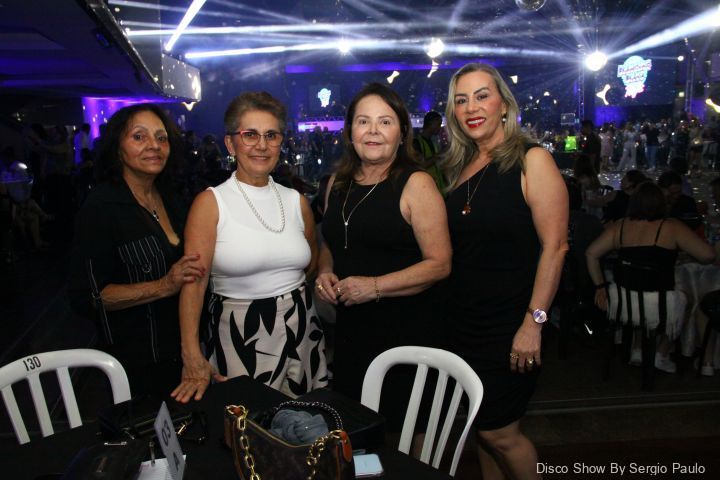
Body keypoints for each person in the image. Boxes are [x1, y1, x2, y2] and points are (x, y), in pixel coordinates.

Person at [441, 63, 568, 480]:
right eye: (462, 100)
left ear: (503, 105)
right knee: (482, 429)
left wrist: (534, 323)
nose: (472, 107)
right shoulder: (460, 166)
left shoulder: (533, 160)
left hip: (511, 323)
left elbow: (556, 247)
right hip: (464, 322)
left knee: (500, 433)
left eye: (482, 96)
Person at [172, 92, 327, 403]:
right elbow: (194, 283)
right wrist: (191, 354)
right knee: (248, 423)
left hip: (302, 325)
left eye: (271, 135)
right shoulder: (210, 203)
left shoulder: (296, 201)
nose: (262, 145)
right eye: (250, 135)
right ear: (231, 144)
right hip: (241, 331)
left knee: (305, 421)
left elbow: (310, 262)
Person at [315, 83, 451, 427]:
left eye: (385, 122)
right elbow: (330, 241)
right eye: (363, 121)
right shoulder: (336, 183)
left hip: (406, 331)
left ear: (402, 133)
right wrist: (325, 270)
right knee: (354, 429)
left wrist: (373, 286)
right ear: (350, 132)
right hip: (352, 331)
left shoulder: (416, 184)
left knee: (408, 434)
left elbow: (440, 264)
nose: (373, 131)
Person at [69, 104, 204, 396]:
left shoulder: (170, 196)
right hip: (135, 364)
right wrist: (163, 285)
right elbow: (89, 297)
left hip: (183, 351)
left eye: (161, 138)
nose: (154, 145)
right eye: (139, 137)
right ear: (117, 148)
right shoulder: (101, 208)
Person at [586, 182, 715, 372]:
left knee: (639, 288)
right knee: (688, 301)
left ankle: (638, 349)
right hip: (660, 305)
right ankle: (662, 352)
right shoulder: (672, 227)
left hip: (623, 305)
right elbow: (708, 255)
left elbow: (591, 254)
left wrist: (600, 286)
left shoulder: (620, 226)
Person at [412, 110, 446, 191]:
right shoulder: (416, 143)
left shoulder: (433, 142)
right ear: (431, 123)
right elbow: (420, 166)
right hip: (426, 189)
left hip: (438, 189)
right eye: (438, 124)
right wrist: (438, 156)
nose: (440, 127)